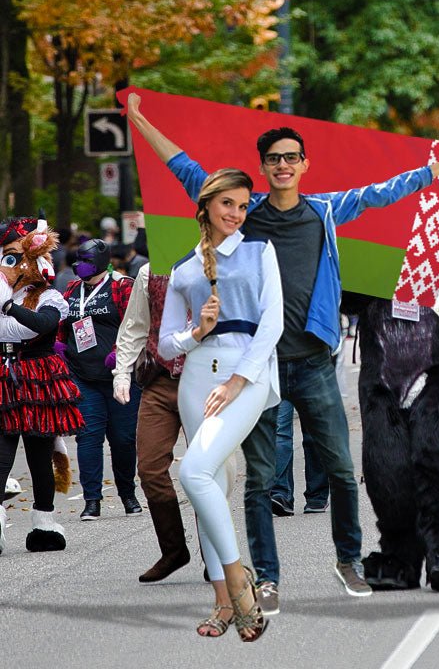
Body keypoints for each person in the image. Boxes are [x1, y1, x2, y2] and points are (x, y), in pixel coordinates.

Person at [127, 92, 439, 610]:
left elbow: (381, 193)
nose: (283, 165)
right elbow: (187, 170)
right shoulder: (246, 213)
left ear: (304, 164)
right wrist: (139, 121)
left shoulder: (325, 211)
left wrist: (435, 170)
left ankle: (348, 561)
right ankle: (266, 578)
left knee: (338, 467)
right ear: (263, 168)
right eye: (274, 159)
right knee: (261, 479)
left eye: (292, 157)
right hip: (258, 368)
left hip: (312, 363)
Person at [158, 167, 280, 640]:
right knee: (210, 485)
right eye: (228, 203)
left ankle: (239, 585)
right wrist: (197, 332)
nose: (237, 213)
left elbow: (272, 323)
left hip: (243, 375)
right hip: (195, 378)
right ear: (207, 204)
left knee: (193, 471)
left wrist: (236, 380)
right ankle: (222, 605)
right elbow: (166, 345)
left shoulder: (259, 250)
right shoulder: (185, 268)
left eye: (243, 205)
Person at [0, 216, 81, 554]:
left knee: (39, 456)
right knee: (2, 457)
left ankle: (44, 523)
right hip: (4, 377)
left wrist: (7, 308)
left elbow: (41, 326)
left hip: (37, 379)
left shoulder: (49, 297)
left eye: (15, 257)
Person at [112, 264, 192, 582]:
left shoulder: (221, 263)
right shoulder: (149, 272)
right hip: (159, 382)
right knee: (149, 468)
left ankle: (216, 553)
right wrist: (121, 372)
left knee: (206, 470)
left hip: (204, 381)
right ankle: (173, 550)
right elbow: (134, 327)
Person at [60, 239, 141, 521]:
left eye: (85, 259)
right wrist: (60, 346)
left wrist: (120, 354)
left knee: (123, 439)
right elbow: (63, 324)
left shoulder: (122, 286)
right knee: (88, 438)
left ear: (100, 260)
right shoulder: (72, 289)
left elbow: (137, 325)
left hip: (121, 376)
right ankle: (92, 499)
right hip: (83, 376)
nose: (78, 264)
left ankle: (128, 494)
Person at [270, 398, 329, 516]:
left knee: (312, 433)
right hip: (282, 380)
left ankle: (317, 497)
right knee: (280, 431)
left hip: (312, 380)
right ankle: (281, 494)